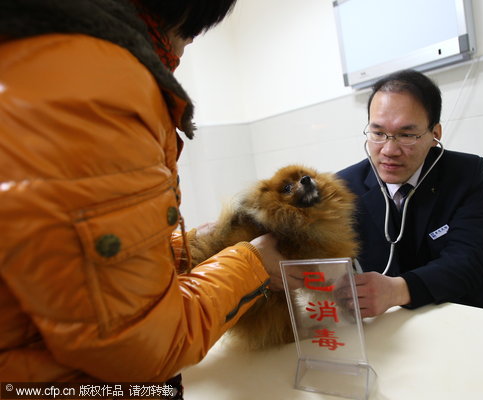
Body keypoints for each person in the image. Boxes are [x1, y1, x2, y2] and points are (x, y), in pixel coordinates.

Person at [0, 0, 287, 385]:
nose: (185, 51)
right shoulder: (99, 92)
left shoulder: (38, 55)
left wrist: (181, 248)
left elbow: (59, 272)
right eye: (192, 36)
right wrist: (252, 263)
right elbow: (142, 346)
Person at [337, 70, 483, 317]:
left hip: (469, 309)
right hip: (393, 327)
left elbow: (469, 260)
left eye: (407, 135)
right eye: (378, 133)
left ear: (435, 134)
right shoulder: (343, 187)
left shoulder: (464, 173)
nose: (389, 150)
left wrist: (396, 290)